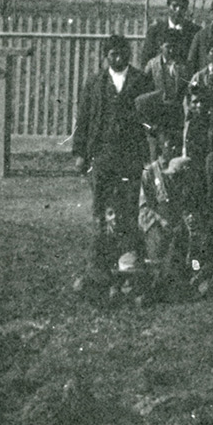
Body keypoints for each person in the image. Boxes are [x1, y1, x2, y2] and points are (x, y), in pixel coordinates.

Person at [72, 33, 152, 273]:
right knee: (102, 204)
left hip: (130, 153)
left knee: (128, 203)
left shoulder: (141, 80)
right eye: (112, 54)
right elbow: (84, 119)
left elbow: (149, 119)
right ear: (106, 57)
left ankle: (127, 253)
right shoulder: (95, 83)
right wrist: (80, 153)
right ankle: (102, 252)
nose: (118, 57)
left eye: (122, 53)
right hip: (102, 152)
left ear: (129, 54)